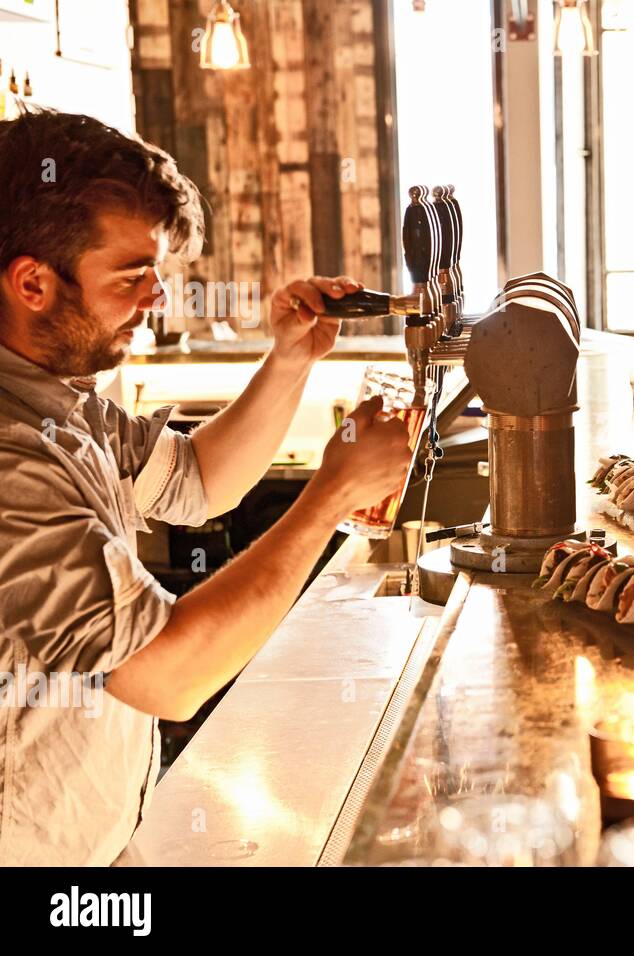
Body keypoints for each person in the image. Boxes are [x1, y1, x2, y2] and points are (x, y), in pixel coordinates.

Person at [0, 109, 414, 865]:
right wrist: (327, 498)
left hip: (97, 840)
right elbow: (167, 675)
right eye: (132, 275)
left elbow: (194, 481)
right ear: (32, 282)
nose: (157, 298)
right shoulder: (11, 458)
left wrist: (290, 359)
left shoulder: (62, 398)